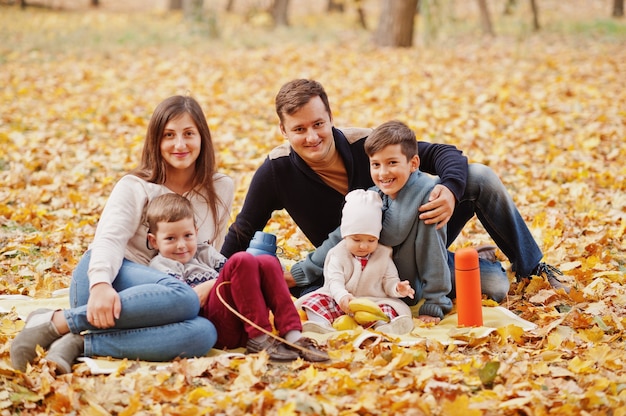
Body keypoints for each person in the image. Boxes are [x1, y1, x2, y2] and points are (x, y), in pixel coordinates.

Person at [220, 79, 568, 297]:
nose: (311, 137)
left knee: (480, 177)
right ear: (283, 130)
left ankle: (533, 267)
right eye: (298, 129)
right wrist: (215, 278)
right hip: (354, 261)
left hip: (415, 241)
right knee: (493, 287)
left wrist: (449, 189)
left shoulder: (367, 144)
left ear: (330, 118)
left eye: (318, 124)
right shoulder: (276, 171)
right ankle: (474, 262)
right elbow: (243, 229)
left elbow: (444, 153)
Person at [10, 95, 235, 375]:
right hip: (109, 285)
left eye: (189, 134)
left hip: (165, 302)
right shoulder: (135, 186)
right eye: (169, 135)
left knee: (203, 334)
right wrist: (101, 285)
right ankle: (58, 321)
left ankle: (79, 344)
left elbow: (210, 249)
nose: (180, 145)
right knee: (185, 297)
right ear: (156, 141)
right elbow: (109, 240)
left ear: (203, 138)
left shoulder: (220, 188)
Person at [145, 193, 329, 362]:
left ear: (196, 230)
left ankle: (293, 336)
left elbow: (239, 274)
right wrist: (213, 283)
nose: (181, 245)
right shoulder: (162, 265)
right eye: (170, 238)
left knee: (266, 261)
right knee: (242, 259)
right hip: (217, 326)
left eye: (187, 235)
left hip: (245, 318)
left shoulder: (204, 251)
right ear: (154, 241)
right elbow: (183, 302)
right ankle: (259, 338)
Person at [296, 189, 416, 335]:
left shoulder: (383, 255)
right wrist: (342, 296)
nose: (364, 246)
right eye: (356, 239)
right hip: (340, 301)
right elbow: (334, 281)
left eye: (371, 240)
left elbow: (389, 280)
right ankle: (320, 324)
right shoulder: (338, 254)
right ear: (345, 235)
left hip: (372, 301)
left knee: (389, 308)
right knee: (315, 301)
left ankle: (384, 326)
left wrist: (397, 288)